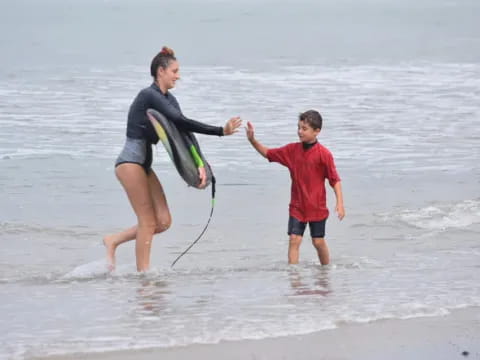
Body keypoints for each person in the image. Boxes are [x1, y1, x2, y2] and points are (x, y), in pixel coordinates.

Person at [104, 47, 242, 272]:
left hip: (143, 166)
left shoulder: (169, 99)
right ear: (161, 71)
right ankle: (144, 277)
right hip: (129, 163)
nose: (178, 76)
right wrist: (220, 131)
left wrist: (200, 163)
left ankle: (113, 240)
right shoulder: (149, 95)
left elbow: (184, 131)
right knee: (147, 221)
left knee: (163, 221)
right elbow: (182, 120)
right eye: (174, 71)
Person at [245, 110, 344, 265]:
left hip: (316, 207)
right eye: (298, 127)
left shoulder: (324, 154)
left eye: (304, 129)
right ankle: (294, 279)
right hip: (297, 207)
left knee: (318, 242)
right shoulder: (291, 151)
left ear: (317, 131)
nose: (299, 132)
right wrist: (252, 140)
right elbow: (268, 153)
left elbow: (335, 180)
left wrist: (340, 203)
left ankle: (325, 272)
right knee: (294, 239)